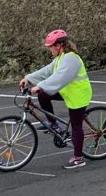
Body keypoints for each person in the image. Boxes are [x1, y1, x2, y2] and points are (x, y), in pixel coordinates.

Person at [20, 29, 93, 169]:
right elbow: (47, 70)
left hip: (78, 94)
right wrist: (28, 78)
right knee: (43, 94)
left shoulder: (71, 58)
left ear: (59, 45)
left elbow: (59, 78)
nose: (50, 50)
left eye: (51, 47)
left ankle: (79, 158)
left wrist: (39, 86)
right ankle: (54, 125)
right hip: (68, 91)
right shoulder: (61, 57)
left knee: (76, 125)